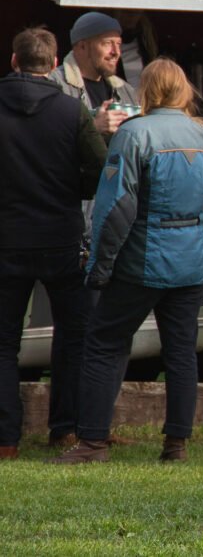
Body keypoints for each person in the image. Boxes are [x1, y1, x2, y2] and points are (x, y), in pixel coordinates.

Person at [49, 58, 203, 464]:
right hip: (191, 261)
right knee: (181, 352)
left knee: (105, 343)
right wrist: (200, 245)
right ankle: (176, 443)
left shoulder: (134, 134)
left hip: (141, 259)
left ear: (147, 90)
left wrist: (100, 264)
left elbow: (116, 209)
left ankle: (92, 441)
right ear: (183, 90)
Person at [0, 28, 106, 460]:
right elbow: (100, 167)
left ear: (14, 61)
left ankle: (6, 438)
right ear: (55, 62)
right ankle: (65, 428)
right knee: (72, 336)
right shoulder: (71, 110)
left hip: (7, 237)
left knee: (4, 343)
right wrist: (72, 189)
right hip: (61, 235)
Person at [50, 11, 137, 140]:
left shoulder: (125, 90)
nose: (116, 52)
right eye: (108, 43)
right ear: (82, 47)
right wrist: (94, 128)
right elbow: (46, 139)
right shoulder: (54, 85)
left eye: (118, 44)